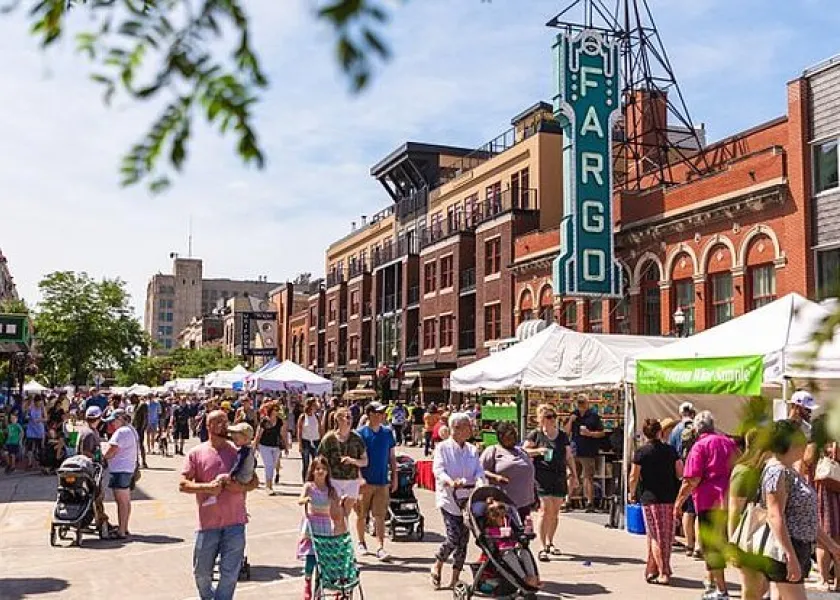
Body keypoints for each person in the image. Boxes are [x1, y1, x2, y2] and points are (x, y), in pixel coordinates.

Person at [180, 410, 259, 600]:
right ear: (208, 427)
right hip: (208, 524)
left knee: (230, 574)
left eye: (225, 422)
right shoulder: (197, 453)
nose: (223, 426)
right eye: (218, 422)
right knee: (201, 573)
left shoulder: (238, 452)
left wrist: (239, 487)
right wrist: (207, 487)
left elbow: (255, 481)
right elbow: (183, 484)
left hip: (235, 523)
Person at [761, 419, 840, 600]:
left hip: (795, 547)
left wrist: (832, 546)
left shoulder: (788, 470)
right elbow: (775, 516)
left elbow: (805, 518)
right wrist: (790, 556)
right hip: (787, 549)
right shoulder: (778, 471)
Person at [674, 410, 738, 600]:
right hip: (729, 499)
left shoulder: (699, 446)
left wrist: (678, 502)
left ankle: (721, 589)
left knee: (712, 546)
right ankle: (711, 582)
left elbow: (692, 479)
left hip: (708, 500)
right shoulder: (728, 442)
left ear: (696, 428)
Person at [431, 412, 484, 590]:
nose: (471, 429)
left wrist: (480, 483)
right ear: (456, 429)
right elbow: (438, 470)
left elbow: (479, 471)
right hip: (449, 498)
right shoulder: (442, 448)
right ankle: (438, 561)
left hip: (468, 499)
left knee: (464, 540)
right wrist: (450, 481)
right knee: (453, 537)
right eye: (467, 426)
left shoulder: (472, 449)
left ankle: (455, 578)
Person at [628, 418, 683, 586]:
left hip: (649, 498)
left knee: (655, 535)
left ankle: (658, 569)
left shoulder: (641, 452)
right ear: (660, 432)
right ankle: (659, 569)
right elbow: (680, 472)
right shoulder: (671, 451)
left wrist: (631, 494)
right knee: (664, 535)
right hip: (668, 497)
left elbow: (633, 477)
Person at [524, 404, 578, 562]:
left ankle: (550, 542)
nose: (552, 419)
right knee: (544, 509)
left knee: (555, 512)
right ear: (540, 419)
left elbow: (568, 456)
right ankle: (541, 547)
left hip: (559, 476)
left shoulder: (561, 436)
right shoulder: (536, 435)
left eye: (553, 416)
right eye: (548, 416)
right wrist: (538, 451)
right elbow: (523, 450)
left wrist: (574, 474)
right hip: (542, 476)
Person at [727, 428, 771, 600]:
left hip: (764, 534)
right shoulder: (744, 471)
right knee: (751, 588)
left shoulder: (767, 469)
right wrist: (733, 544)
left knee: (760, 588)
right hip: (748, 535)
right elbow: (734, 510)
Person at [297, 456, 346, 600]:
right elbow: (300, 500)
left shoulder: (330, 489)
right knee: (311, 556)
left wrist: (342, 501)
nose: (321, 472)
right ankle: (307, 582)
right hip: (312, 523)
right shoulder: (309, 486)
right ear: (312, 471)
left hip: (325, 525)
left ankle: (318, 589)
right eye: (318, 469)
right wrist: (305, 499)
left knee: (322, 560)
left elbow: (337, 506)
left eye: (324, 469)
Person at [355, 401, 397, 560]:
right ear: (371, 414)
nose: (382, 416)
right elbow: (355, 459)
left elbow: (392, 457)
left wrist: (394, 477)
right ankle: (361, 542)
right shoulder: (360, 433)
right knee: (361, 514)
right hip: (365, 482)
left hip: (382, 481)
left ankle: (380, 547)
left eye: (383, 413)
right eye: (379, 413)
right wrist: (359, 478)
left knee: (380, 515)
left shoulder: (387, 433)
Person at [481, 421, 537, 522]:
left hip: (524, 503)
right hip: (503, 505)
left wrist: (535, 495)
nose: (514, 438)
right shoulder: (492, 451)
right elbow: (480, 471)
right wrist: (496, 477)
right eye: (510, 436)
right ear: (501, 437)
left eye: (515, 435)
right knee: (505, 534)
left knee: (522, 534)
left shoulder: (521, 451)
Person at [318, 407, 367, 517]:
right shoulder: (329, 438)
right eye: (347, 417)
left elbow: (365, 461)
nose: (350, 420)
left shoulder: (357, 438)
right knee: (335, 512)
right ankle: (335, 532)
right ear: (339, 420)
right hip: (334, 479)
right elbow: (320, 459)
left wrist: (353, 461)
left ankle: (343, 532)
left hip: (352, 480)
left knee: (346, 513)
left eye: (351, 417)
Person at [484, 497, 541, 588]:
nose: (504, 519)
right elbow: (490, 541)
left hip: (513, 548)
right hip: (500, 553)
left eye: (505, 516)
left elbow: (516, 535)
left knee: (524, 552)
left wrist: (520, 539)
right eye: (501, 517)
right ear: (493, 518)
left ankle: (532, 576)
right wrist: (500, 536)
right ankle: (524, 578)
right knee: (509, 555)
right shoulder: (490, 530)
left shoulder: (509, 525)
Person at [103, 408, 139, 540]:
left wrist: (103, 457)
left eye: (113, 421)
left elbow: (112, 449)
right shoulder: (131, 430)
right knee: (126, 501)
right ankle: (124, 527)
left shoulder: (121, 432)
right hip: (128, 468)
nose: (111, 424)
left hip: (120, 470)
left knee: (122, 502)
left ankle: (121, 531)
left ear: (120, 419)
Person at [567, 394, 605, 512]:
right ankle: (568, 500)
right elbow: (566, 432)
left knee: (588, 477)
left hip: (588, 451)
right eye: (579, 403)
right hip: (574, 450)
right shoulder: (573, 415)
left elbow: (602, 433)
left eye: (583, 403)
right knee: (572, 475)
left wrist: (590, 434)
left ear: (587, 403)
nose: (581, 405)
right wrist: (570, 420)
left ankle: (589, 502)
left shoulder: (593, 416)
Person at [77, 406, 111, 534]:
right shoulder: (89, 434)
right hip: (90, 470)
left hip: (91, 469)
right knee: (96, 496)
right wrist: (98, 460)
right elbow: (85, 452)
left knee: (95, 497)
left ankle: (98, 519)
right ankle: (100, 520)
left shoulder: (89, 431)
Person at [816, 440, 840, 592]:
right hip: (832, 488)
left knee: (824, 538)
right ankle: (837, 582)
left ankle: (824, 580)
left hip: (828, 490)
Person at [254, 400, 284, 494]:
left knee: (273, 465)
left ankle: (270, 484)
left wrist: (286, 446)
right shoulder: (265, 420)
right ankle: (268, 486)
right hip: (264, 445)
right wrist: (255, 444)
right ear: (271, 410)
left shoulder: (279, 421)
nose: (276, 411)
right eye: (275, 409)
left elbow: (281, 434)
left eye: (277, 409)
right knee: (269, 465)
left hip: (276, 446)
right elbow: (259, 433)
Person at [297, 398, 323, 481]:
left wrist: (322, 441)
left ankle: (315, 480)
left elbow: (320, 429)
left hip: (316, 441)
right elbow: (299, 431)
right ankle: (305, 481)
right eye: (314, 405)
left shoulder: (317, 416)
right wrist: (300, 444)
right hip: (306, 441)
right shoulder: (303, 417)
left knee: (316, 462)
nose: (316, 407)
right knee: (306, 463)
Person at [130, 395, 149, 469]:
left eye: (132, 399)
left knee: (140, 445)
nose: (131, 401)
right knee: (135, 446)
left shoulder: (143, 405)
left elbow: (145, 418)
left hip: (139, 429)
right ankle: (136, 462)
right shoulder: (136, 405)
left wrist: (142, 428)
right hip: (134, 428)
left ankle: (144, 462)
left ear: (135, 398)